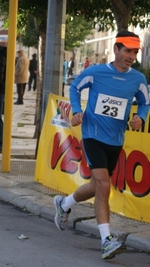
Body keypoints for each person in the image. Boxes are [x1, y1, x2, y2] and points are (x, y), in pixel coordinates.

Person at [53, 31, 150, 260]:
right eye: (127, 50)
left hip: (115, 140)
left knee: (98, 186)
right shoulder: (96, 72)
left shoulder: (137, 79)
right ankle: (106, 241)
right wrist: (77, 111)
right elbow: (75, 87)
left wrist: (141, 118)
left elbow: (145, 102)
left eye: (135, 52)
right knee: (104, 185)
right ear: (116, 49)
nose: (131, 56)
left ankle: (64, 203)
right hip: (92, 135)